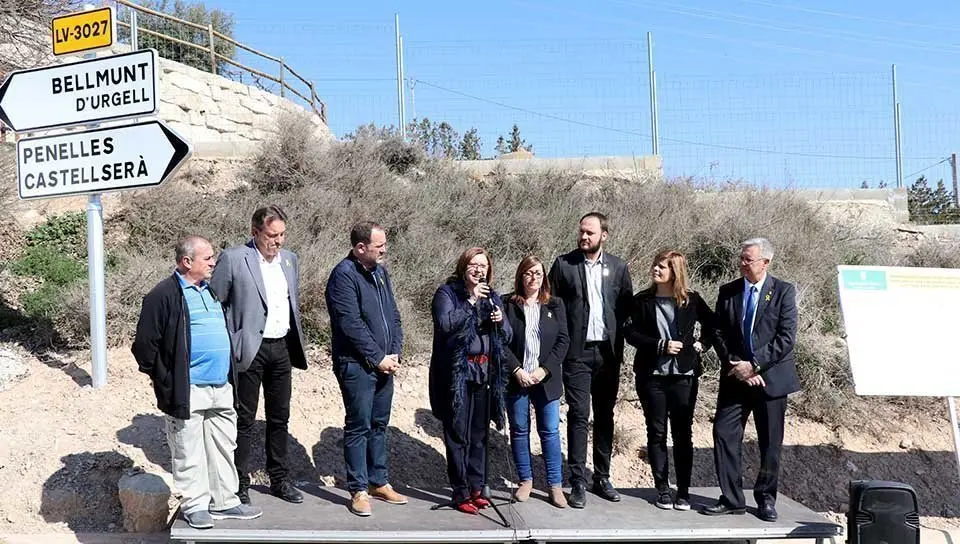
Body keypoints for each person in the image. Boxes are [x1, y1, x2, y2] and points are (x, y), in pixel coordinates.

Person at [132, 235, 262, 529]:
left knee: (223, 447)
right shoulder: (162, 295)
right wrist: (165, 379)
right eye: (208, 258)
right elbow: (144, 347)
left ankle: (225, 502)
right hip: (187, 390)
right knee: (188, 450)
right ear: (187, 261)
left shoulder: (210, 291)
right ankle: (195, 505)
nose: (214, 262)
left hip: (220, 387)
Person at [210, 205, 308, 505]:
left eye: (282, 235)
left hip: (281, 348)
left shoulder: (289, 260)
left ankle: (279, 479)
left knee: (280, 417)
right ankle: (238, 483)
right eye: (271, 235)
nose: (277, 241)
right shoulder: (234, 258)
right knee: (244, 419)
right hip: (248, 350)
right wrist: (232, 340)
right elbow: (217, 303)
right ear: (255, 233)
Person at [703, 237, 799, 523]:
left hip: (770, 380)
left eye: (749, 260)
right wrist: (736, 364)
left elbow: (786, 338)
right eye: (742, 259)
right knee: (723, 432)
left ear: (765, 262)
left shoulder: (783, 292)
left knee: (770, 442)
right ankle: (732, 498)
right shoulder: (728, 291)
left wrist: (755, 366)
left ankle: (766, 498)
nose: (743, 264)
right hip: (735, 377)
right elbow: (718, 332)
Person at [548, 212, 633, 509]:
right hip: (576, 354)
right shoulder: (563, 264)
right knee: (579, 415)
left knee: (605, 415)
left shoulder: (619, 268)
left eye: (590, 233)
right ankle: (578, 482)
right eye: (581, 232)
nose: (584, 237)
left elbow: (625, 310)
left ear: (604, 236)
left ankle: (602, 476)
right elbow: (551, 306)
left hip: (608, 355)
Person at [325, 221, 407, 517]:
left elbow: (394, 316)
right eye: (379, 245)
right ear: (361, 248)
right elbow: (350, 325)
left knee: (379, 424)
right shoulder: (343, 276)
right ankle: (358, 488)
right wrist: (376, 358)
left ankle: (378, 481)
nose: (385, 249)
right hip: (357, 365)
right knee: (359, 425)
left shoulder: (381, 273)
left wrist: (395, 351)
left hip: (386, 362)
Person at [625, 250, 717, 512]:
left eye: (662, 266)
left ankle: (684, 492)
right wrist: (659, 345)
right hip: (651, 376)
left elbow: (713, 324)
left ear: (675, 272)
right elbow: (629, 333)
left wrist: (703, 344)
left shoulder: (692, 300)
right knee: (656, 432)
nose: (656, 269)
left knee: (683, 434)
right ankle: (662, 489)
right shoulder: (641, 300)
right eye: (655, 264)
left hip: (684, 377)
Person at [429, 247, 513, 515]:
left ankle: (477, 485)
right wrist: (471, 302)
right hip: (458, 376)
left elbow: (508, 335)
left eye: (483, 266)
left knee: (479, 434)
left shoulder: (494, 297)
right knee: (458, 434)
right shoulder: (447, 293)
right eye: (474, 265)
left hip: (484, 374)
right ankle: (460, 490)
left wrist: (501, 321)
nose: (479, 270)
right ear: (463, 267)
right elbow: (444, 324)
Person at [502, 255, 569, 508]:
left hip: (545, 379)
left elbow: (563, 341)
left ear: (544, 278)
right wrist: (516, 369)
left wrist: (544, 370)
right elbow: (500, 340)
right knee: (520, 431)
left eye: (538, 273)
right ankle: (525, 481)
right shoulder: (506, 304)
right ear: (521, 275)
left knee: (550, 432)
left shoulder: (555, 305)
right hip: (516, 379)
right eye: (528, 273)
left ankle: (555, 485)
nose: (533, 278)